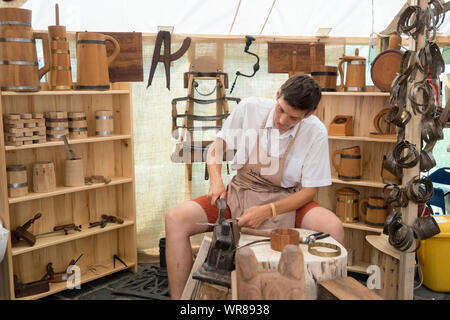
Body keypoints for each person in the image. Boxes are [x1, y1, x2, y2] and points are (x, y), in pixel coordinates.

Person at [165, 74, 344, 300]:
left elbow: (309, 192)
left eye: (293, 118)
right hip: (241, 192)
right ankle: (180, 300)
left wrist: (268, 211)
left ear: (308, 115)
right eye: (281, 110)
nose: (282, 121)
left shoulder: (315, 131)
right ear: (278, 94)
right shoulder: (250, 108)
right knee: (175, 219)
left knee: (333, 227)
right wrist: (216, 178)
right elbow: (217, 146)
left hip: (286, 201)